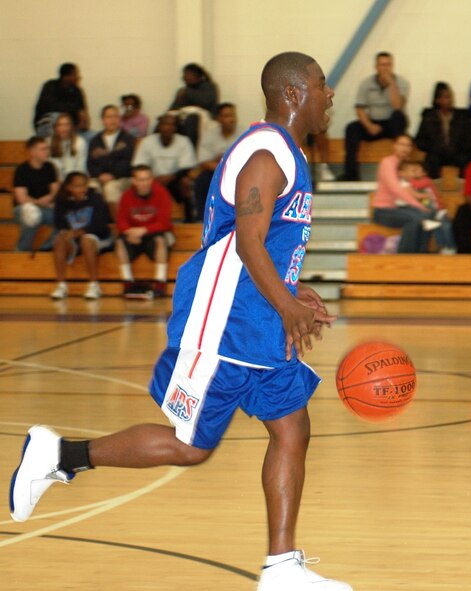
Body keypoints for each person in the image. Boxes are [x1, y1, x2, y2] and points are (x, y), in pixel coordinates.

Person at [9, 51, 351, 591]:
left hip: (257, 314)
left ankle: (282, 569)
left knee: (293, 427)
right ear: (292, 93)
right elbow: (246, 240)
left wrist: (291, 289)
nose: (330, 94)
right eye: (321, 83)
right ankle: (58, 455)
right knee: (190, 446)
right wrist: (285, 304)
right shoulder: (267, 151)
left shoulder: (286, 152)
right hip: (226, 319)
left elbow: (263, 244)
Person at [371, 134, 454, 253]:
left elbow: (416, 186)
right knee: (415, 218)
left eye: (408, 145)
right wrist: (418, 205)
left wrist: (424, 201)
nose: (405, 148)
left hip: (401, 207)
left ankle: (421, 253)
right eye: (401, 144)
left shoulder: (408, 164)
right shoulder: (387, 163)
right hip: (384, 211)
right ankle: (405, 257)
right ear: (394, 146)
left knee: (429, 214)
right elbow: (397, 189)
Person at [340, 51, 409, 181]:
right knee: (351, 128)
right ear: (376, 67)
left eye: (388, 65)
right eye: (382, 65)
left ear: (392, 66)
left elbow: (397, 106)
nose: (385, 68)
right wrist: (369, 125)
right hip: (373, 123)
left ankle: (400, 170)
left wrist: (391, 84)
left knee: (399, 116)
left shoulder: (402, 83)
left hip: (392, 124)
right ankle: (351, 174)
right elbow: (359, 108)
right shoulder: (366, 83)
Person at [114, 165, 175, 299]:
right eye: (141, 180)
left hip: (155, 232)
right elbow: (120, 221)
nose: (144, 183)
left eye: (147, 179)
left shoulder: (161, 193)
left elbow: (164, 222)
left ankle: (160, 282)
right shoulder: (126, 196)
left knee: (161, 240)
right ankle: (127, 282)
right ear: (134, 181)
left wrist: (144, 230)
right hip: (134, 234)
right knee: (119, 242)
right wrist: (129, 232)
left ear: (152, 179)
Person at [50, 172, 113, 300]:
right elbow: (59, 223)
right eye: (77, 186)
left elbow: (100, 225)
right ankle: (61, 285)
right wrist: (66, 232)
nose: (82, 189)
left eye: (84, 185)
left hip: (100, 237)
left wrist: (79, 232)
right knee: (59, 240)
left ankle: (94, 285)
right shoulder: (62, 201)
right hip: (76, 238)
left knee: (86, 239)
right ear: (69, 187)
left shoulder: (96, 198)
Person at [132, 113, 198, 221]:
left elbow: (186, 168)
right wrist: (151, 178)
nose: (168, 127)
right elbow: (139, 165)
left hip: (175, 179)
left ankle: (189, 220)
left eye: (172, 125)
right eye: (165, 124)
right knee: (139, 181)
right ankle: (142, 219)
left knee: (186, 183)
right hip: (151, 179)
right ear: (159, 126)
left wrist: (169, 178)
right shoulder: (147, 142)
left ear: (175, 128)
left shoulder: (183, 141)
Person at [414, 82, 471, 178]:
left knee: (466, 158)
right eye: (446, 97)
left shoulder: (462, 116)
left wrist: (459, 148)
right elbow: (419, 140)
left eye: (450, 97)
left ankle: (464, 189)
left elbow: (470, 140)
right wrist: (433, 147)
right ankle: (433, 189)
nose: (450, 100)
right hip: (437, 154)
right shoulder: (429, 117)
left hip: (457, 153)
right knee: (431, 159)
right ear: (438, 100)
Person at [193, 102, 240, 219]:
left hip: (239, 171)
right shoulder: (209, 135)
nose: (231, 119)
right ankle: (202, 218)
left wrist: (221, 160)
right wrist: (223, 168)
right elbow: (203, 161)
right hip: (215, 171)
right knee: (202, 180)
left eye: (232, 115)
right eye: (226, 116)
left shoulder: (244, 132)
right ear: (219, 119)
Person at [12, 136, 60, 251]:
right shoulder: (22, 170)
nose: (47, 152)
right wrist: (39, 203)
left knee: (65, 217)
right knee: (32, 214)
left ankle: (45, 249)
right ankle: (21, 250)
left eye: (47, 148)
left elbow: (55, 190)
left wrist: (51, 197)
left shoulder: (49, 167)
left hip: (45, 208)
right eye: (43, 149)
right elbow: (21, 198)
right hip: (24, 208)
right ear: (32, 152)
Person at [87, 105, 136, 214]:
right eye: (109, 117)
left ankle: (117, 224)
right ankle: (99, 223)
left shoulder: (127, 139)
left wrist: (113, 175)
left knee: (110, 188)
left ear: (119, 119)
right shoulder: (95, 141)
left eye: (115, 117)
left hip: (122, 178)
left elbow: (127, 162)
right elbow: (90, 164)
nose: (113, 120)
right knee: (91, 188)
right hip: (99, 178)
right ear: (103, 120)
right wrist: (100, 175)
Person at [33, 63, 89, 136]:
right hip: (46, 126)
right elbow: (53, 107)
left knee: (90, 136)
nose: (78, 77)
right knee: (59, 117)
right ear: (66, 76)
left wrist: (83, 121)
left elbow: (82, 112)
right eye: (75, 74)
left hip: (71, 128)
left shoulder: (77, 91)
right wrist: (74, 109)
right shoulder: (50, 86)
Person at [49, 113, 87, 180]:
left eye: (66, 125)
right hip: (57, 181)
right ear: (56, 128)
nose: (64, 128)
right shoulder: (49, 143)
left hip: (75, 180)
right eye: (60, 125)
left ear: (71, 127)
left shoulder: (80, 142)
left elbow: (81, 168)